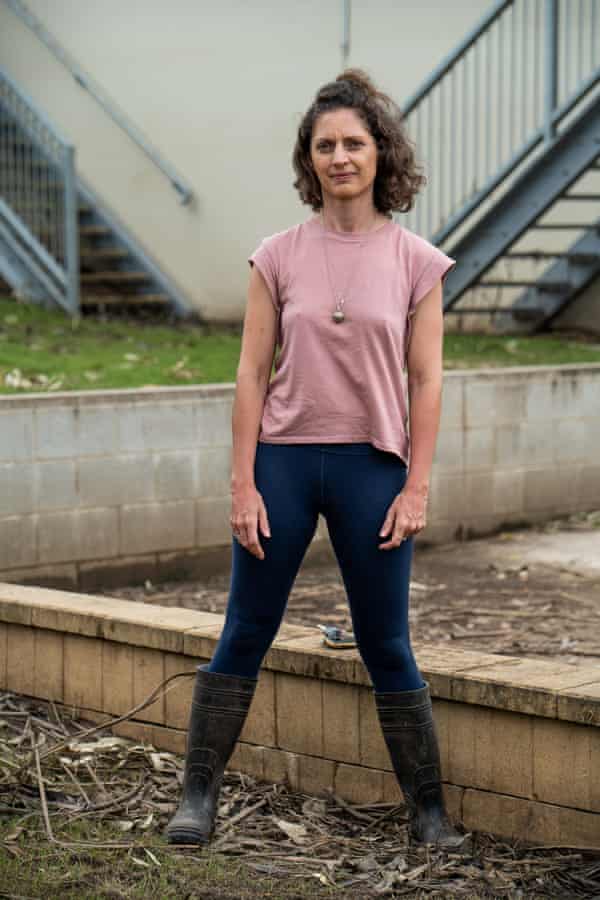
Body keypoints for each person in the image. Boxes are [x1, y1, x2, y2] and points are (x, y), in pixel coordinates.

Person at [166, 68, 467, 849]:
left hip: (374, 469)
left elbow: (428, 379)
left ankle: (430, 812)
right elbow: (249, 373)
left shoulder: (417, 261)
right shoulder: (276, 255)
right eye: (325, 144)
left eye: (355, 143)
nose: (340, 156)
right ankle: (197, 798)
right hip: (284, 466)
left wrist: (417, 487)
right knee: (245, 628)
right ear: (310, 158)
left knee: (386, 641)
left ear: (381, 154)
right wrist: (242, 483)